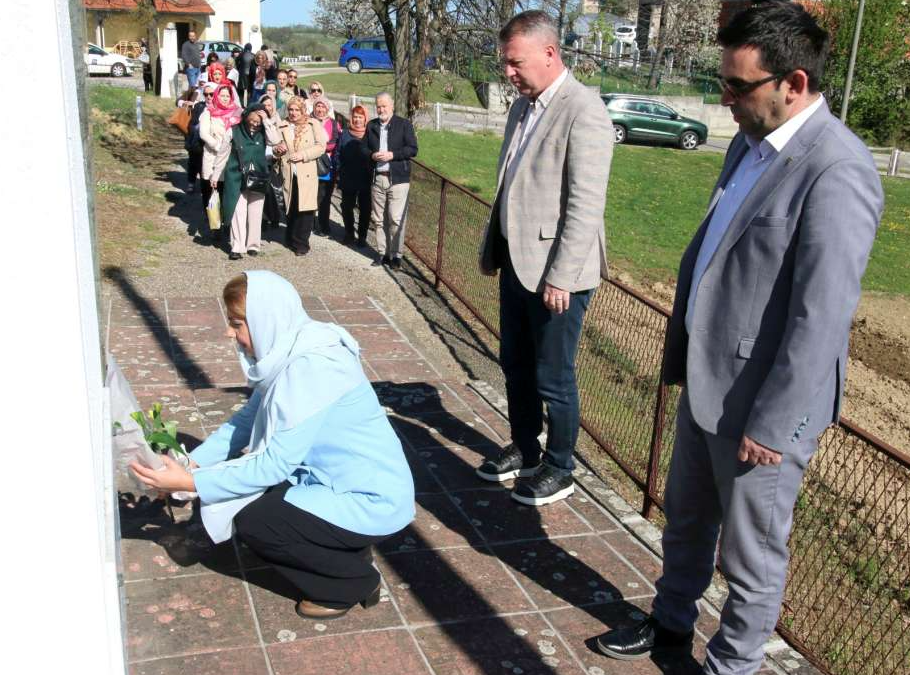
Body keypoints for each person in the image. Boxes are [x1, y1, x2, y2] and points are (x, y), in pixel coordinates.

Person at [592, 4, 884, 674]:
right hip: (709, 382)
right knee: (686, 523)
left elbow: (822, 315)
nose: (724, 100)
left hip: (763, 409)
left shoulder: (837, 170)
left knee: (751, 559)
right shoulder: (749, 142)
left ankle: (732, 665)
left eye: (738, 86)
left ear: (794, 82)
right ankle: (669, 625)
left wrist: (776, 421)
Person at [131, 270, 415, 620]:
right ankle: (347, 551)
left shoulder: (312, 368)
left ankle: (351, 583)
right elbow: (246, 421)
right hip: (340, 481)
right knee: (254, 495)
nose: (229, 332)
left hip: (371, 498)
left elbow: (272, 465)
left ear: (267, 320)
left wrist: (189, 484)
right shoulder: (295, 347)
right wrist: (192, 465)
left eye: (237, 324)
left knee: (255, 521)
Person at [475, 11, 612, 505]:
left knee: (554, 375)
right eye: (505, 64)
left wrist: (562, 277)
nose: (508, 73)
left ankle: (560, 467)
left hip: (559, 274)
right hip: (517, 262)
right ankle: (526, 448)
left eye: (516, 63)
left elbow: (585, 206)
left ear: (549, 54)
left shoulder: (585, 110)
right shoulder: (522, 106)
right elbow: (512, 182)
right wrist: (496, 247)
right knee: (515, 363)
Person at [212, 103, 281, 260]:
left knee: (256, 213)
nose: (255, 124)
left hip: (258, 177)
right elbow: (222, 153)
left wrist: (266, 121)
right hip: (236, 176)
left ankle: (253, 245)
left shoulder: (264, 131)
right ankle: (237, 247)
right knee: (238, 211)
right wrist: (215, 175)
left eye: (258, 122)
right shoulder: (233, 131)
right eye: (253, 121)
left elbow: (275, 141)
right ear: (246, 117)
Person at [364, 92, 418, 269]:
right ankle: (382, 253)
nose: (381, 109)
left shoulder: (403, 125)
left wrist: (392, 155)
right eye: (378, 106)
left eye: (384, 106)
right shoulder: (372, 126)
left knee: (395, 219)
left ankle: (396, 255)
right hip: (377, 178)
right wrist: (372, 155)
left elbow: (412, 149)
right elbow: (363, 148)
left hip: (398, 180)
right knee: (378, 219)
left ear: (392, 106)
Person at [277, 96, 327, 256]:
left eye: (296, 110)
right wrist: (278, 150)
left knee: (305, 209)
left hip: (306, 171)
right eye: (290, 109)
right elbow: (274, 146)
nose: (293, 113)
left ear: (303, 110)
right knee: (290, 206)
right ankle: (290, 237)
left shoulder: (313, 124)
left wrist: (304, 155)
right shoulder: (282, 125)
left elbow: (321, 147)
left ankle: (302, 243)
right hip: (289, 171)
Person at [199, 83, 242, 241]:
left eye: (227, 96)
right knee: (213, 193)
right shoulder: (208, 112)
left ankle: (228, 223)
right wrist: (218, 146)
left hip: (230, 159)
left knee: (228, 192)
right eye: (222, 95)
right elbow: (204, 133)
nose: (224, 98)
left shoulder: (237, 113)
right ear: (217, 96)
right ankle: (214, 225)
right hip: (213, 156)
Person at [337, 105, 372, 247]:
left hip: (365, 176)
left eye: (360, 117)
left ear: (365, 119)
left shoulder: (370, 134)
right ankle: (349, 233)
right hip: (348, 175)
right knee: (347, 206)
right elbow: (338, 153)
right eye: (355, 117)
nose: (357, 120)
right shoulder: (345, 133)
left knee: (365, 208)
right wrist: (339, 170)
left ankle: (362, 236)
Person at [259, 93, 289, 230]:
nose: (267, 108)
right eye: (264, 105)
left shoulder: (278, 121)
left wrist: (267, 122)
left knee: (274, 191)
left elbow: (275, 140)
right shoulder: (257, 120)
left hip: (275, 161)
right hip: (261, 159)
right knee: (261, 190)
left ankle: (275, 216)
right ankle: (264, 218)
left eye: (269, 105)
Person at [312, 98, 341, 237]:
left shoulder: (334, 124)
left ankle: (324, 224)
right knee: (312, 195)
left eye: (323, 107)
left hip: (328, 165)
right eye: (318, 106)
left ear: (327, 108)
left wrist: (319, 147)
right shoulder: (308, 121)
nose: (320, 109)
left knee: (325, 197)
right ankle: (310, 223)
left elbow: (336, 142)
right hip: (310, 162)